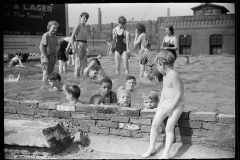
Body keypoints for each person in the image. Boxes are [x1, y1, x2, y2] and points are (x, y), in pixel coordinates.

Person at [142, 50, 185, 159]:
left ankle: (165, 153)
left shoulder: (174, 75)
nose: (156, 68)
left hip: (176, 104)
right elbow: (164, 91)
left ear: (161, 63)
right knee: (155, 124)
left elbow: (180, 93)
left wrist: (171, 107)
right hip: (166, 103)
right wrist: (160, 105)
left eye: (157, 65)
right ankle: (151, 147)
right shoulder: (165, 75)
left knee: (169, 127)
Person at [66, 12, 90, 78]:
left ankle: (83, 78)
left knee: (85, 64)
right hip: (79, 44)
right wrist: (73, 47)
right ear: (81, 17)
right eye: (84, 18)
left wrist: (87, 47)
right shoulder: (78, 25)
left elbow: (85, 38)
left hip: (84, 44)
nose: (85, 20)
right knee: (78, 64)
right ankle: (76, 78)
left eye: (86, 18)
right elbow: (72, 36)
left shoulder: (85, 27)